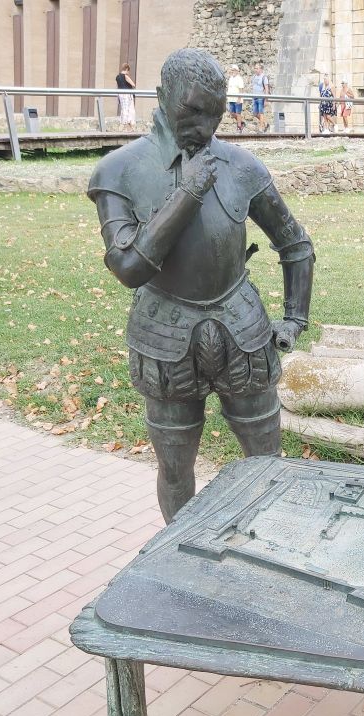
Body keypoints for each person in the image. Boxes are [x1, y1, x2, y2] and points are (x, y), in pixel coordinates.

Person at [88, 48, 314, 523]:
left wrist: (294, 318)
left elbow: (295, 244)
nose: (204, 126)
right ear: (162, 97)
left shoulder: (242, 167)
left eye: (214, 113)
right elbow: (129, 267)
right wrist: (188, 192)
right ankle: (179, 556)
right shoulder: (118, 171)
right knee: (174, 467)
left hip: (243, 327)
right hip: (163, 329)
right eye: (191, 110)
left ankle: (269, 546)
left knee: (265, 460)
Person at [251, 61, 270, 132]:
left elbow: (266, 89)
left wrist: (266, 99)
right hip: (254, 97)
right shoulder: (254, 76)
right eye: (255, 68)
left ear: (261, 69)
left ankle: (261, 128)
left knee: (261, 113)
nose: (255, 70)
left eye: (257, 68)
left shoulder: (264, 77)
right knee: (255, 113)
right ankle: (265, 123)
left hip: (261, 98)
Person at [116, 63, 136, 128]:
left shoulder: (117, 77)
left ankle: (125, 125)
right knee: (129, 109)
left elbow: (118, 86)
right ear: (127, 69)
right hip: (127, 95)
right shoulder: (125, 76)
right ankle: (128, 125)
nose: (128, 73)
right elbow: (133, 84)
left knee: (124, 109)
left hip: (120, 94)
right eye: (128, 71)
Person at [227, 64, 245, 132]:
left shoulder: (239, 78)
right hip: (231, 99)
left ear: (237, 71)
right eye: (232, 70)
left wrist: (239, 98)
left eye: (234, 70)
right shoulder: (231, 78)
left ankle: (239, 127)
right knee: (232, 113)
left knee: (238, 113)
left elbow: (241, 89)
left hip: (237, 99)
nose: (232, 71)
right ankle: (241, 122)